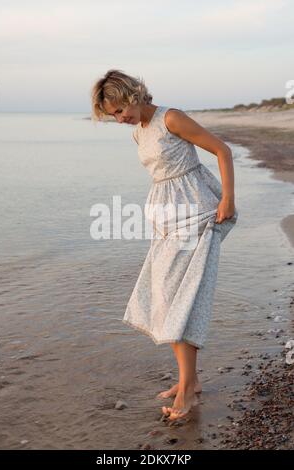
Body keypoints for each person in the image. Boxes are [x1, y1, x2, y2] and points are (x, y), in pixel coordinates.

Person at [91, 69, 238, 422]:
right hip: (167, 223)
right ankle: (191, 380)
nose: (119, 119)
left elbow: (222, 150)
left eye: (118, 110)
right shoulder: (139, 133)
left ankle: (187, 390)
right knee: (168, 298)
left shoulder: (170, 118)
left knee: (180, 301)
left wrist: (228, 200)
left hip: (195, 213)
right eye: (112, 116)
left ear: (133, 95)